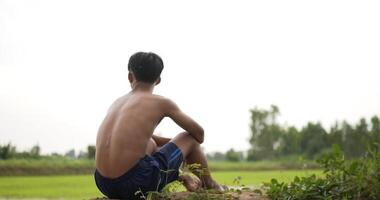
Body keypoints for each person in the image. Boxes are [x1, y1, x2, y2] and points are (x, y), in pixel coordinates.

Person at [94, 52, 226, 199]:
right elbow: (199, 134)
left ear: (130, 77)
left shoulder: (117, 103)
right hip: (135, 184)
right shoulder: (162, 103)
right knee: (189, 138)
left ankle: (181, 176)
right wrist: (184, 147)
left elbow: (138, 139)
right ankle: (209, 184)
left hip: (103, 183)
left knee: (150, 143)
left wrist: (172, 147)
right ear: (158, 80)